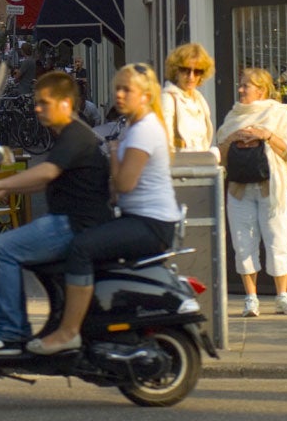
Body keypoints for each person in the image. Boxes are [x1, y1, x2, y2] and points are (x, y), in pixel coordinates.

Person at [27, 63, 181, 355]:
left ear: (146, 96)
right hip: (141, 219)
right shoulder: (135, 127)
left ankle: (69, 332)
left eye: (126, 90)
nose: (119, 96)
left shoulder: (143, 131)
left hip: (150, 224)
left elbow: (123, 184)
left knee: (81, 248)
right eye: (117, 89)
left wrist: (111, 153)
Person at [0, 71, 111, 355]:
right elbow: (49, 180)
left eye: (44, 102)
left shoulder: (74, 135)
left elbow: (47, 172)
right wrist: (7, 190)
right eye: (36, 102)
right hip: (70, 220)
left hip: (72, 224)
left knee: (0, 249)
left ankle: (9, 333)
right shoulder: (69, 135)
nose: (37, 108)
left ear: (65, 104)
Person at [216, 67, 287, 318]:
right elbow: (218, 155)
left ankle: (282, 296)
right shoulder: (234, 116)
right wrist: (233, 138)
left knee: (277, 237)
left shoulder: (278, 113)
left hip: (272, 187)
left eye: (246, 85)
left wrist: (266, 135)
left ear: (261, 90)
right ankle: (251, 298)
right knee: (243, 241)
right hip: (239, 189)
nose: (241, 89)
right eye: (241, 84)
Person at [161, 42, 215, 152]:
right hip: (178, 165)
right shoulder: (168, 98)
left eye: (197, 71)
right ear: (176, 71)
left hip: (201, 165)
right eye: (185, 70)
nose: (191, 77)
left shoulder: (200, 101)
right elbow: (165, 141)